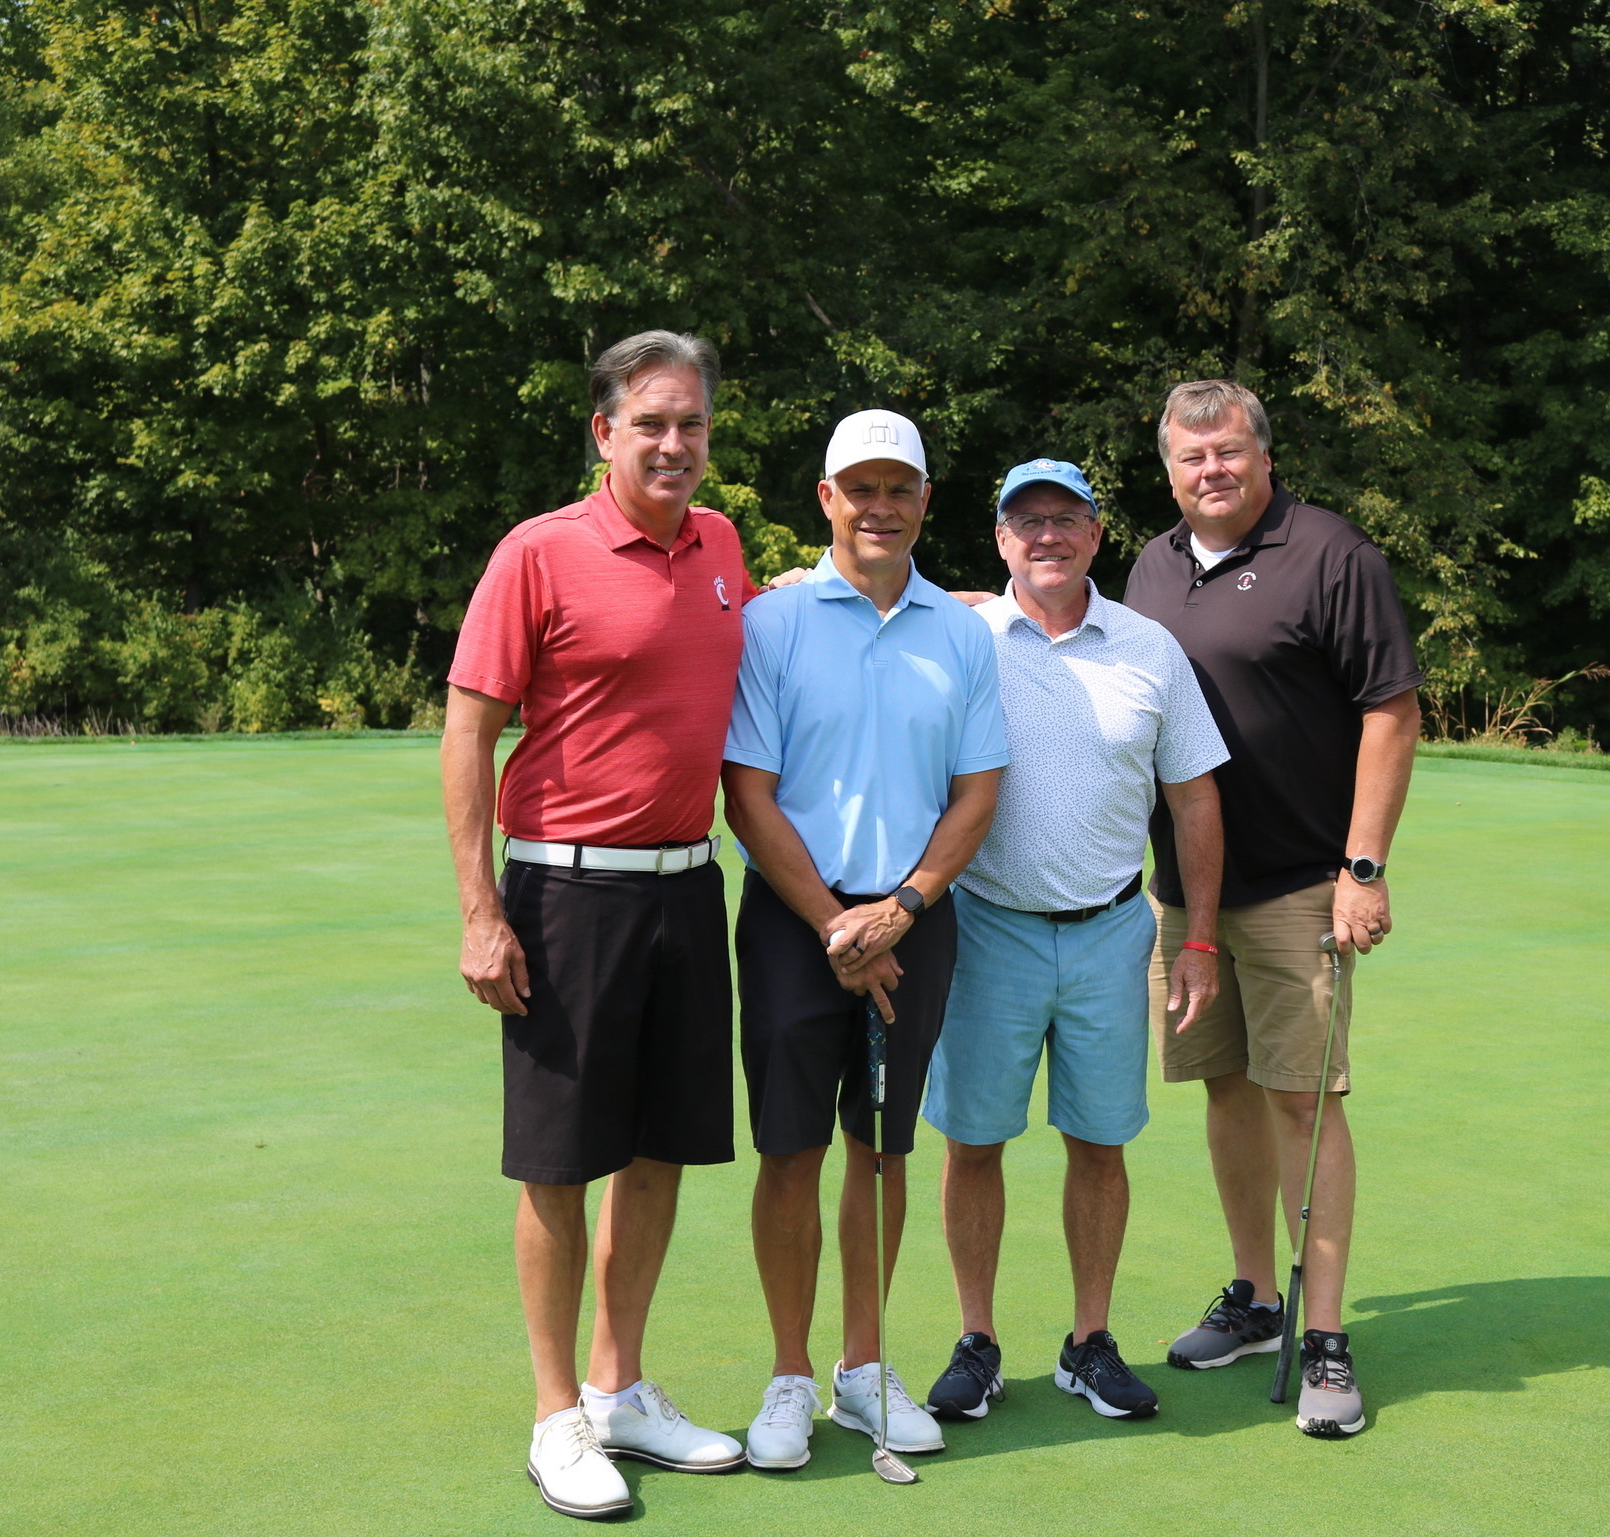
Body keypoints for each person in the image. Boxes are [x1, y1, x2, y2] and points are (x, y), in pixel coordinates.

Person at [441, 330, 753, 1519]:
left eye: (692, 424)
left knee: (660, 1148)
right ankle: (555, 1414)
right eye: (651, 423)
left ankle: (619, 1389)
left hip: (689, 886)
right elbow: (468, 731)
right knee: (561, 1162)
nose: (674, 443)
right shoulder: (539, 552)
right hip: (566, 894)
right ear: (604, 431)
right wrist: (481, 911)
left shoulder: (721, 546)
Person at [1122, 379, 1425, 1439]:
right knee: (1225, 1089)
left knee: (1302, 1101)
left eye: (1228, 451)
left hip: (1299, 881)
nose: (1210, 470)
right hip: (1186, 890)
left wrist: (1363, 865)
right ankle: (1256, 1296)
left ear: (1262, 454)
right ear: (1168, 469)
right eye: (1191, 455)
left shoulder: (1333, 555)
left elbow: (1391, 711)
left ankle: (1325, 1334)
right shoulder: (1151, 566)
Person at [721, 409, 1010, 1471]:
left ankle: (862, 1365)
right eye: (861, 488)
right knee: (789, 1149)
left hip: (914, 918)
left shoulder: (962, 634)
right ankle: (790, 1375)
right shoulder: (772, 623)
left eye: (899, 488)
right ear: (826, 499)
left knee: (883, 1149)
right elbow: (746, 790)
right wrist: (838, 922)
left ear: (925, 501)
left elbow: (978, 789)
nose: (879, 507)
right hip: (793, 918)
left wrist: (904, 907)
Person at [918, 458, 1230, 1425]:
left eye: (1066, 518)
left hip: (1110, 930)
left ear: (1097, 534)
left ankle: (1089, 1341)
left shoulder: (1148, 645)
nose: (1046, 535)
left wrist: (1200, 938)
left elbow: (1193, 799)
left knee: (1099, 1143)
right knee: (974, 1142)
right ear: (1000, 539)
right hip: (985, 927)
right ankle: (976, 1340)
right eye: (1027, 521)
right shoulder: (961, 637)